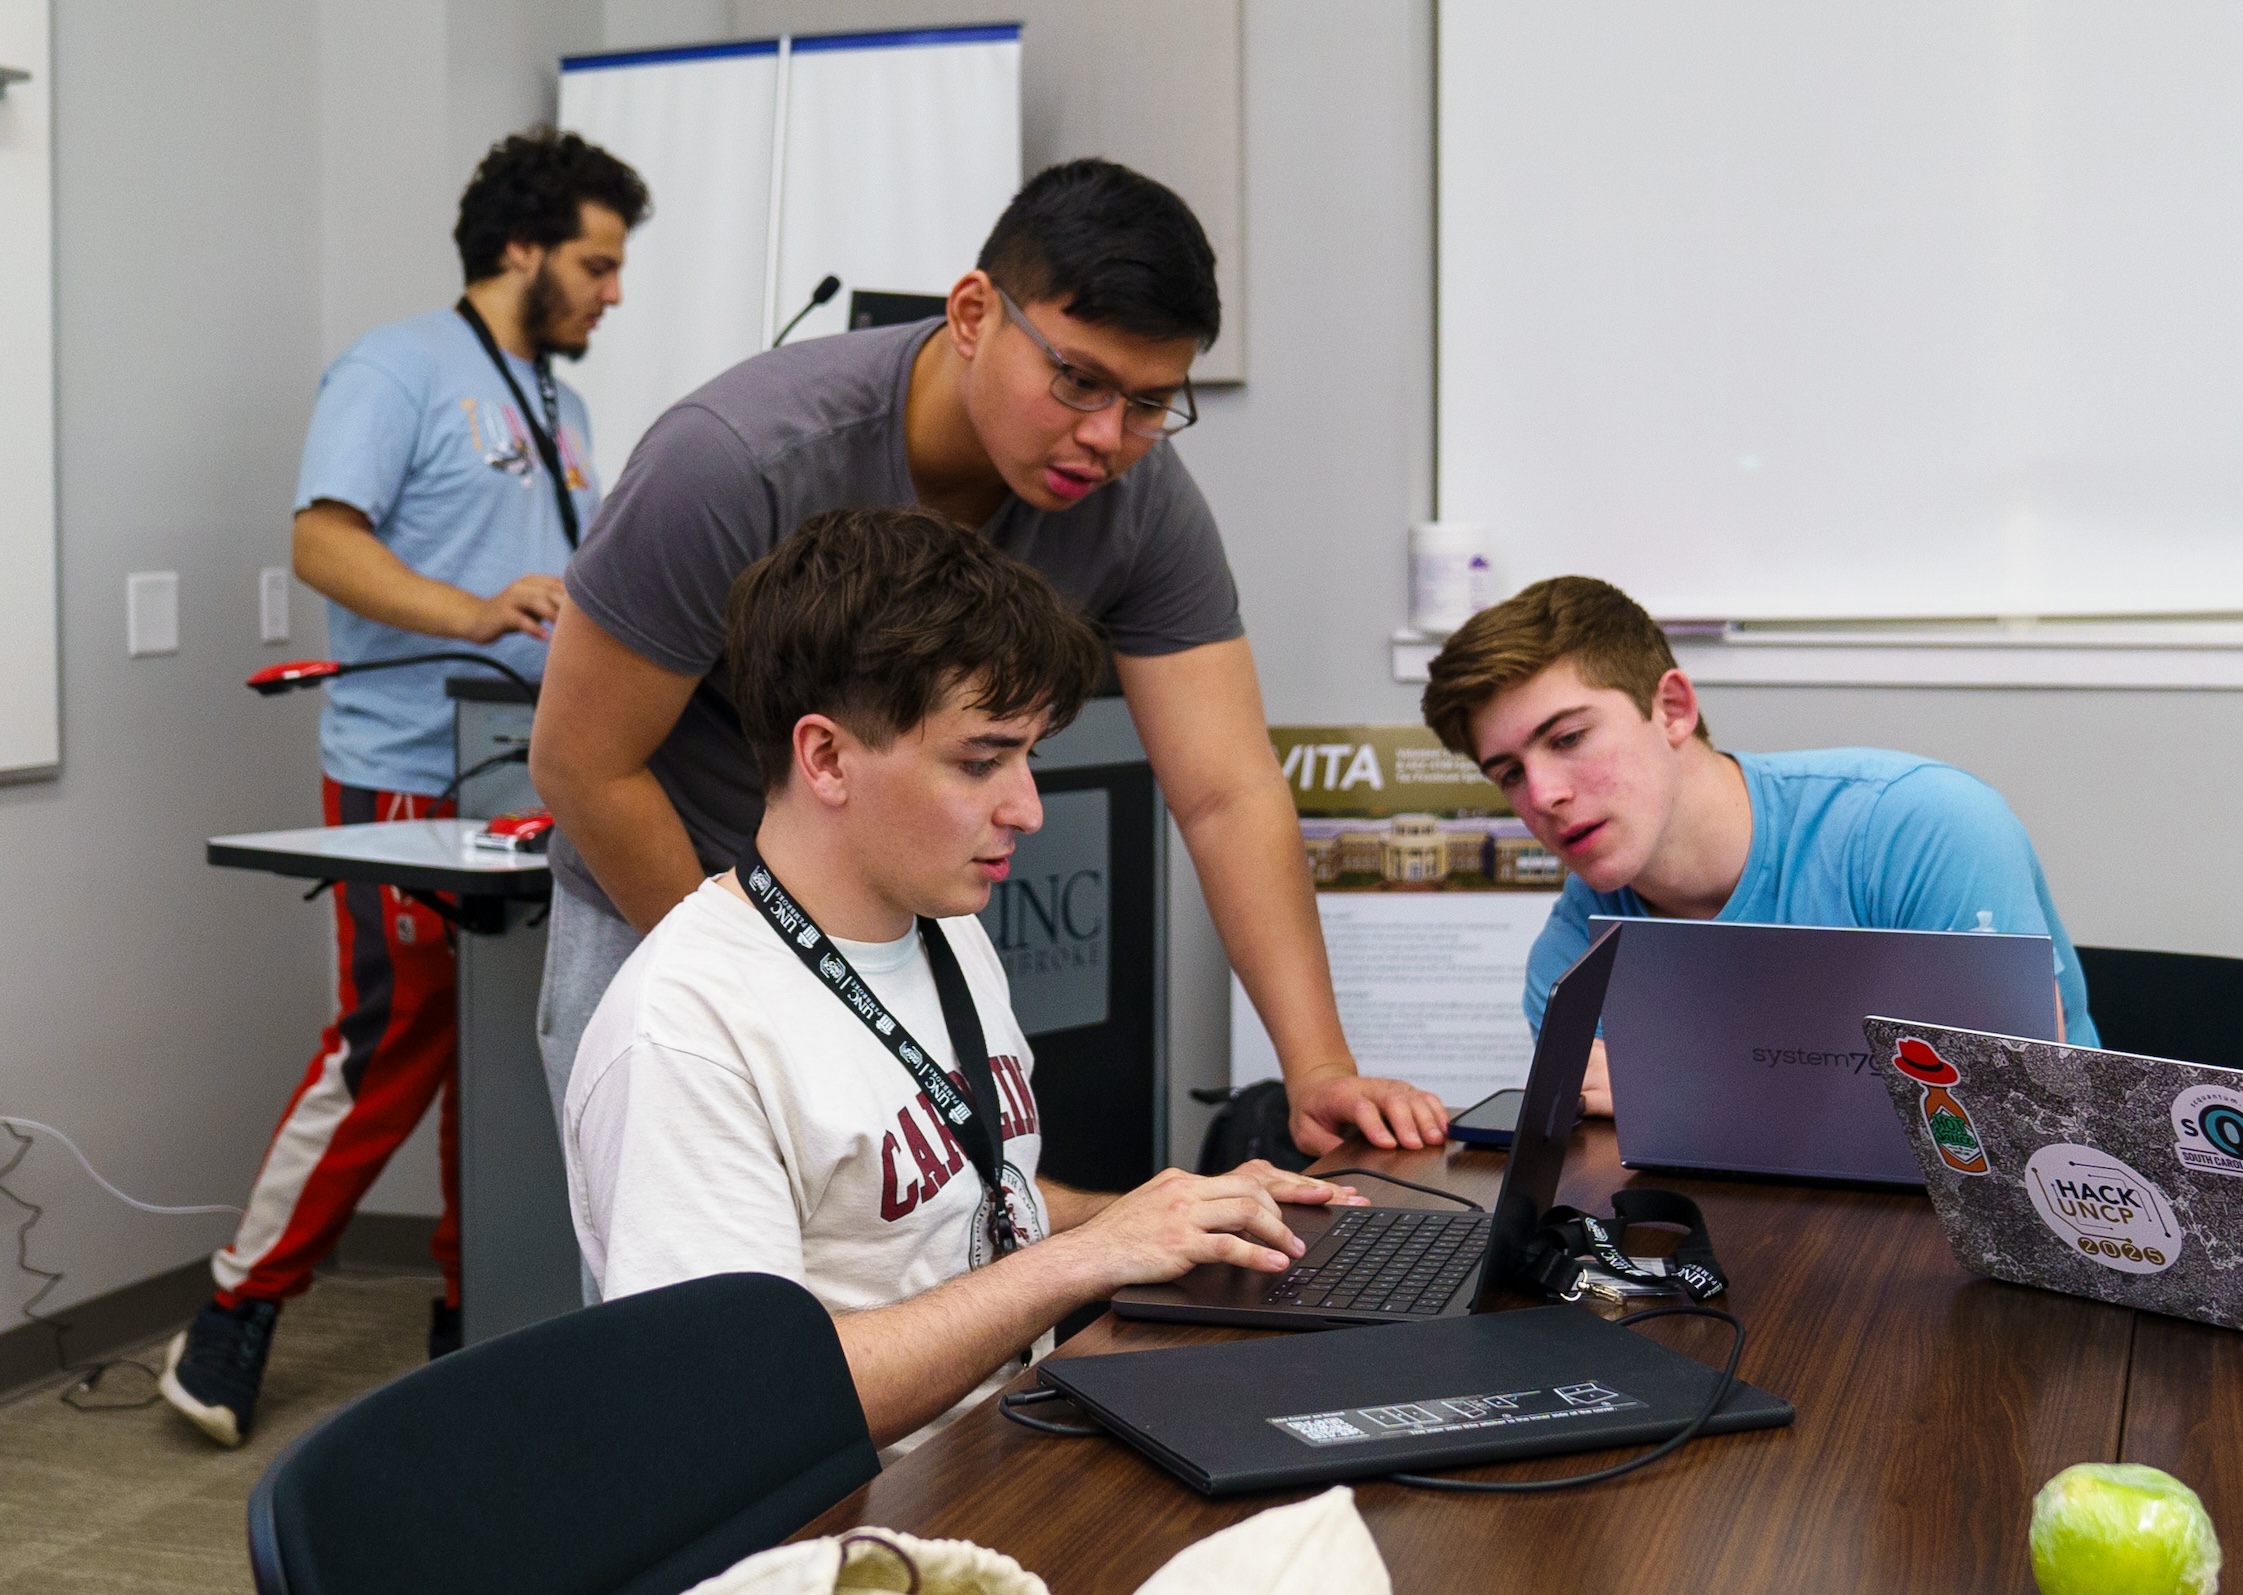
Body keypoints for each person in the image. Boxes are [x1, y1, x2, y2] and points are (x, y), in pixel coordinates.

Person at [531, 158, 1444, 1165]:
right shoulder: (736, 461)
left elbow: (1226, 788)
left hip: (899, 923)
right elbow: (585, 764)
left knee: (931, 1259)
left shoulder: (1137, 499)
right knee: (695, 1309)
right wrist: (773, 986)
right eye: (1078, 379)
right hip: (673, 904)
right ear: (973, 313)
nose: (1106, 436)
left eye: (1150, 402)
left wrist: (1316, 1068)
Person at [564, 507, 1362, 1452]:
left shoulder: (938, 923)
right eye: (981, 761)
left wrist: (1178, 1216)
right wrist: (1086, 1258)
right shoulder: (685, 1032)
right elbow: (735, 1407)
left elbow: (960, 1200)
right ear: (825, 757)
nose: (1026, 807)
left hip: (996, 1454)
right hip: (843, 1531)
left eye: (1030, 756)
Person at [160, 129, 648, 1447]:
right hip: (404, 768)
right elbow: (324, 538)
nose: (614, 292)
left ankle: (467, 1308)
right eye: (598, 265)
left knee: (503, 1040)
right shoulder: (396, 367)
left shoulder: (569, 407)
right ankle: (233, 1311)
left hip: (536, 770)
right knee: (396, 1035)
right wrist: (476, 611)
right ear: (521, 247)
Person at [1420, 576, 2096, 1116]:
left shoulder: (1920, 825)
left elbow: (2019, 1108)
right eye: (1508, 772)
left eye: (1568, 738)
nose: (1542, 794)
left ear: (1673, 709)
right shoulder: (1572, 963)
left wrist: (1692, 1094)